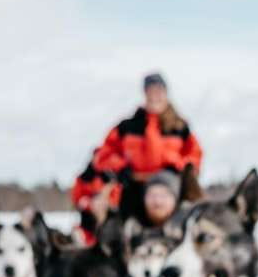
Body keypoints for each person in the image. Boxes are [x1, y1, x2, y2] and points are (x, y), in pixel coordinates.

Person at [72, 73, 202, 238]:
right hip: (133, 185)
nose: (155, 96)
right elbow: (104, 154)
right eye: (151, 91)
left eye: (159, 91)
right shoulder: (128, 126)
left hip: (168, 184)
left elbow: (195, 156)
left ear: (165, 94)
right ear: (145, 94)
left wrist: (178, 166)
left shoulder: (180, 128)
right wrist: (120, 167)